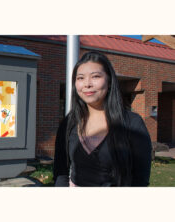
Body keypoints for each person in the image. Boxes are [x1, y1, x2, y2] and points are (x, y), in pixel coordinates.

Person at [53, 51, 152, 187]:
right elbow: (61, 172)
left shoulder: (132, 124)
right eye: (80, 78)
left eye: (95, 76)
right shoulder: (69, 123)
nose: (87, 84)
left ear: (109, 81)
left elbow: (140, 181)